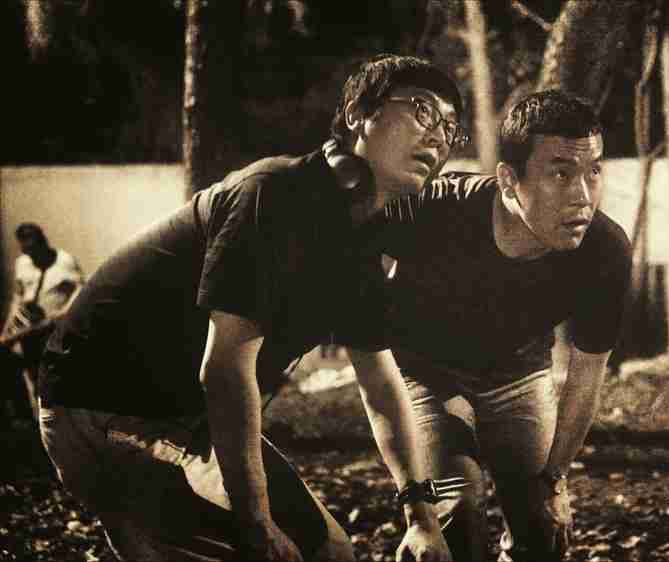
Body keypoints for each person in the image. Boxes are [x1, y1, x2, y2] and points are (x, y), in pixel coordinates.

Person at [37, 54, 466, 562]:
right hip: (102, 405)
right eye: (422, 110)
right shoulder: (274, 193)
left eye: (450, 127)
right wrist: (255, 521)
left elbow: (380, 382)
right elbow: (224, 369)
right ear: (357, 114)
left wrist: (420, 516)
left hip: (186, 418)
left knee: (330, 552)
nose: (438, 136)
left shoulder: (363, 242)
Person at [376, 90, 632, 561]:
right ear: (509, 180)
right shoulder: (434, 208)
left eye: (593, 171)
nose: (583, 195)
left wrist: (556, 480)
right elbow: (352, 250)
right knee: (457, 509)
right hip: (426, 375)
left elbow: (587, 374)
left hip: (518, 375)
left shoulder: (605, 249)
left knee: (543, 530)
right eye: (561, 173)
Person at [1, 223, 83, 422]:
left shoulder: (65, 261)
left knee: (57, 377)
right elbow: (18, 296)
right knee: (33, 378)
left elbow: (80, 291)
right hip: (29, 331)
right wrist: (8, 329)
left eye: (35, 248)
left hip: (54, 330)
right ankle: (40, 423)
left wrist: (59, 316)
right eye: (27, 251)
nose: (32, 256)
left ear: (43, 242)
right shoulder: (22, 263)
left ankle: (64, 422)